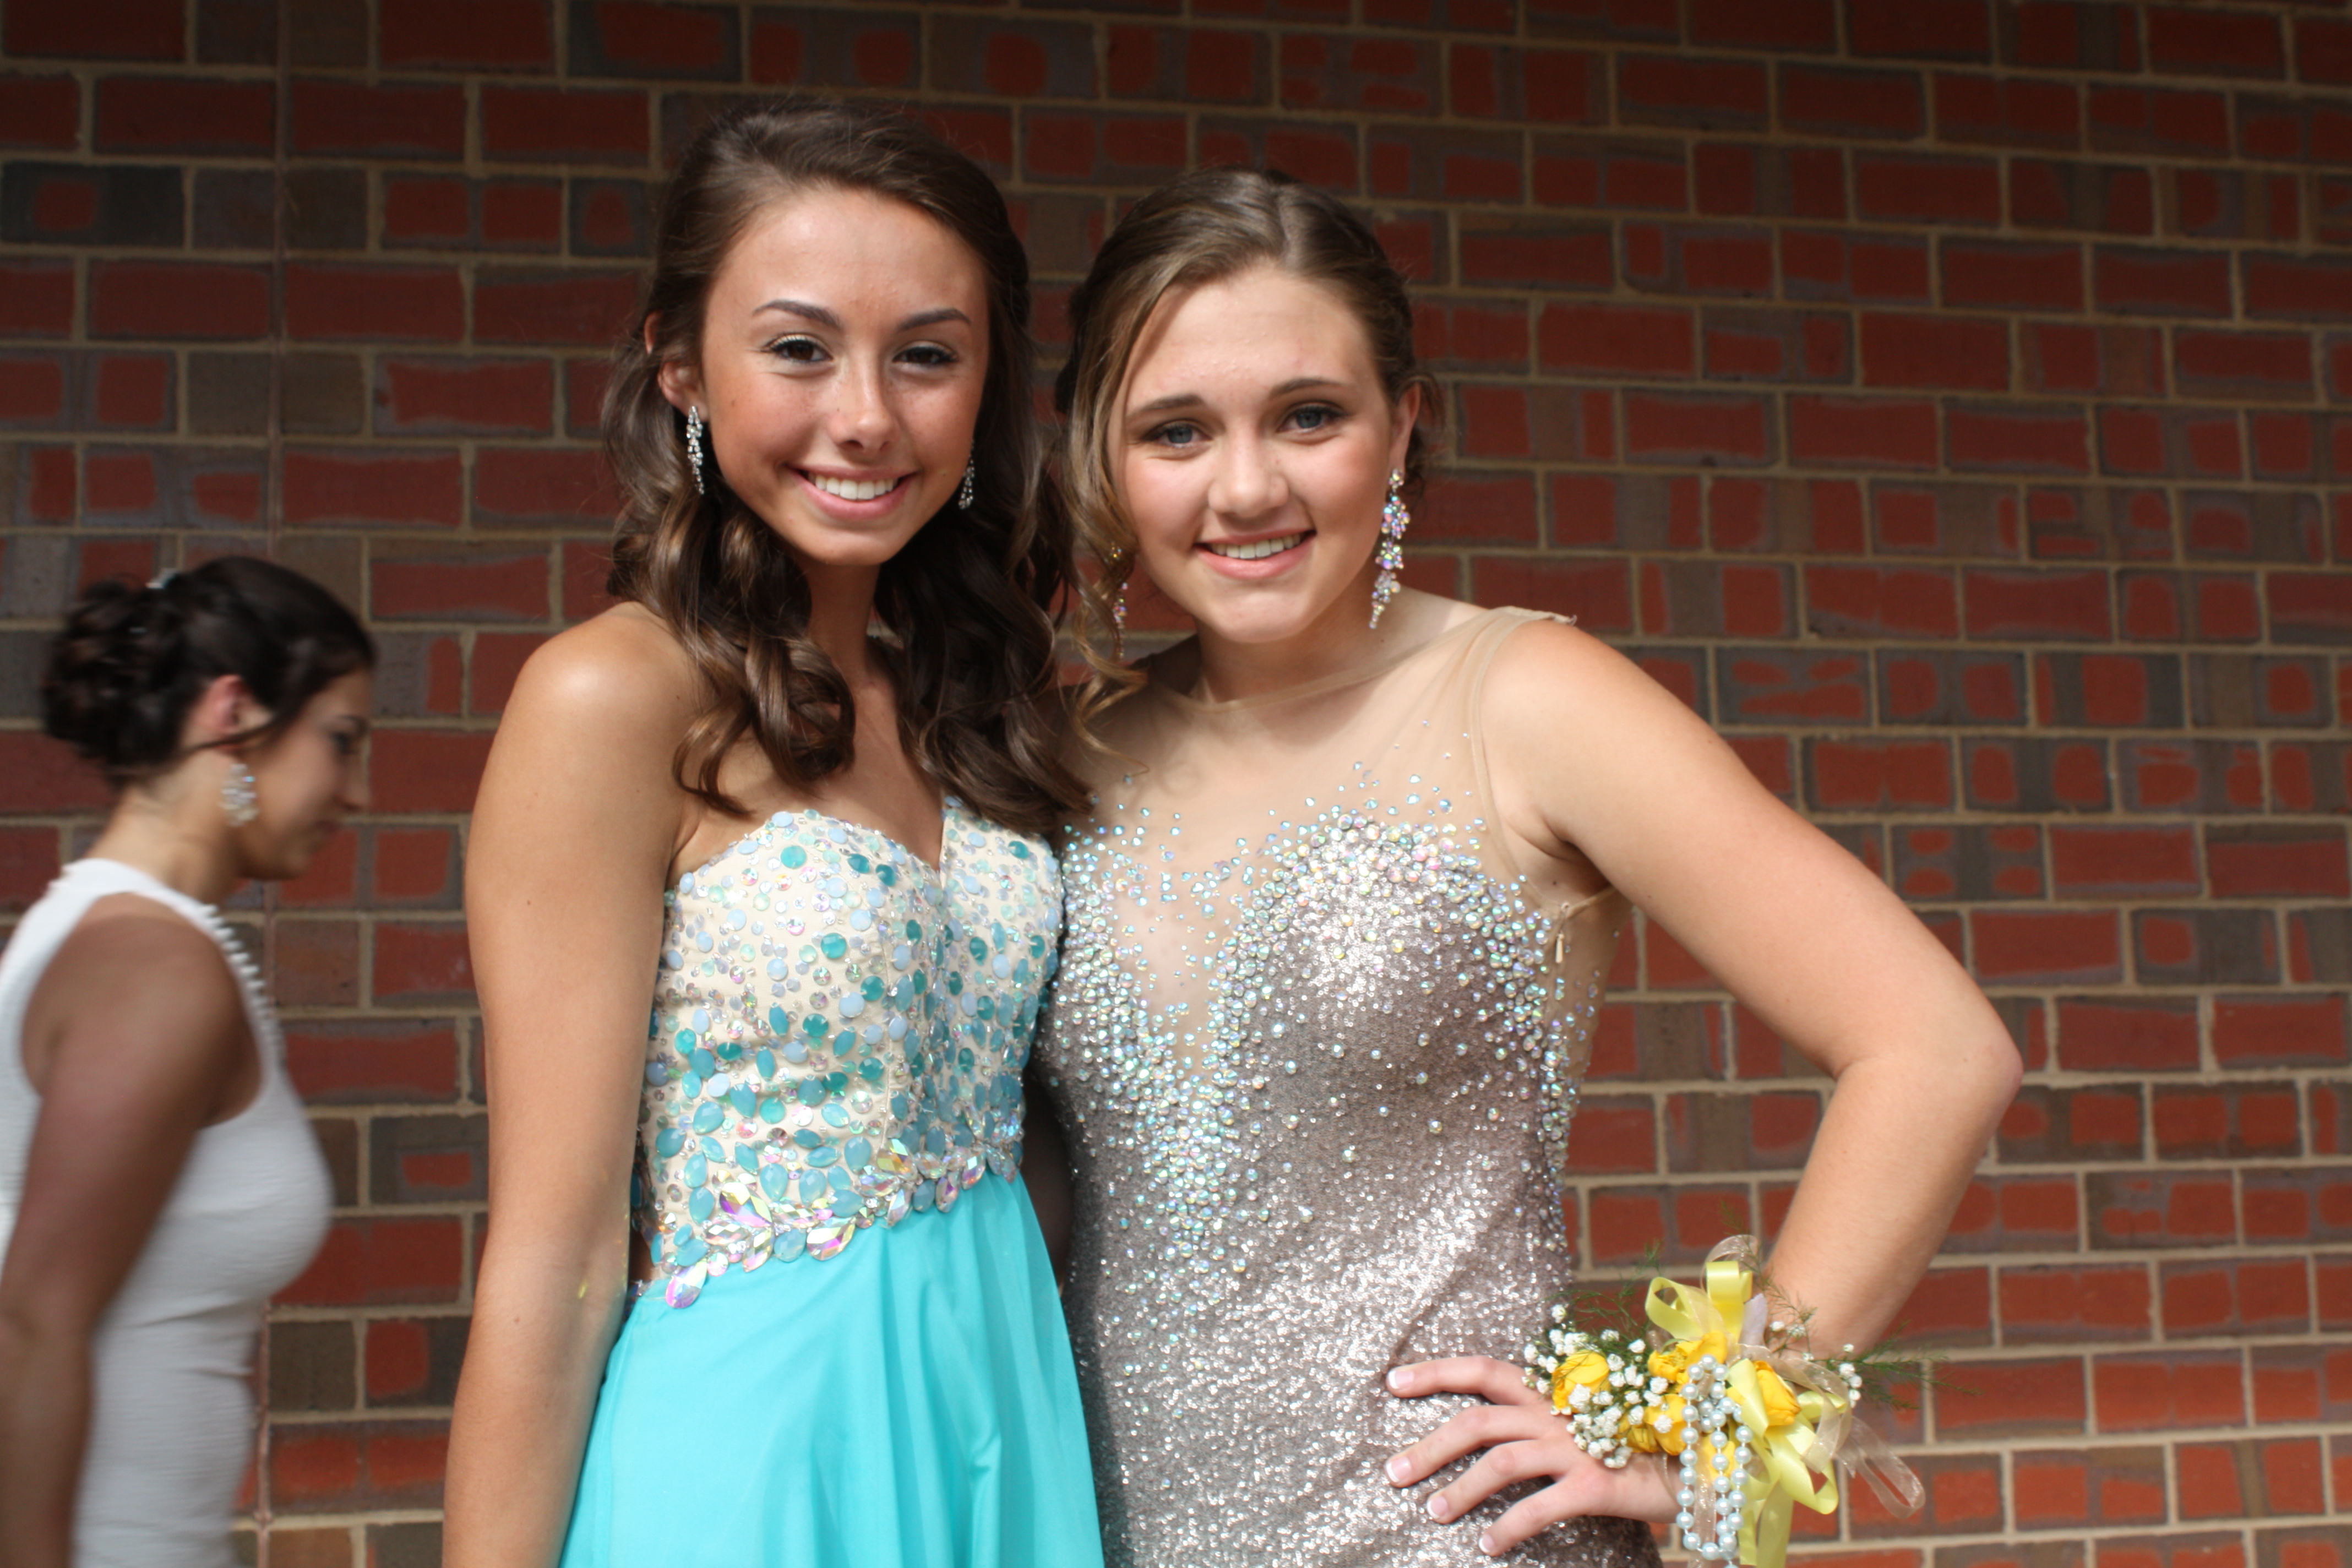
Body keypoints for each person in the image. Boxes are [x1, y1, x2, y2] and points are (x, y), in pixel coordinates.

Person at [1029, 166, 2023, 1566]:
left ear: (1401, 426)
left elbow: (1933, 1047)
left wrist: (1703, 1432)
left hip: (1453, 1537)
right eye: (1176, 429)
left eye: (1309, 415)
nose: (1246, 485)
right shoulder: (1063, 756)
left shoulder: (1528, 696)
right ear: (1101, 452)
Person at [440, 99, 1102, 1568]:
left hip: (996, 1425)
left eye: (926, 354)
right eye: (800, 348)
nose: (865, 415)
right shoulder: (610, 698)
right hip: (754, 1463)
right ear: (682, 363)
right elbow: (553, 1258)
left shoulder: (971, 699)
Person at [0, 557, 372, 1568]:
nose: (358, 792)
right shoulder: (153, 966)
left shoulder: (123, 932)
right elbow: (30, 1322)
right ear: (233, 713)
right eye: (341, 742)